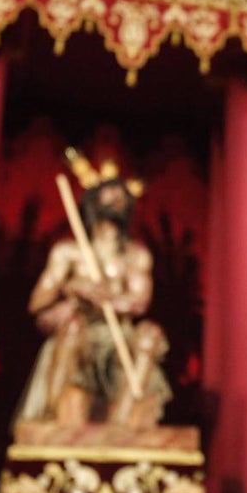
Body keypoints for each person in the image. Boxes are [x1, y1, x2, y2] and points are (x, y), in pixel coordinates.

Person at [16, 171, 171, 430]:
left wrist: (104, 297)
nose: (116, 201)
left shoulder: (135, 255)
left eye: (121, 198)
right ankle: (52, 414)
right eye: (109, 197)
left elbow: (139, 302)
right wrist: (73, 287)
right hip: (81, 330)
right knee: (73, 327)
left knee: (150, 334)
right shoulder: (69, 252)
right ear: (93, 204)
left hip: (118, 334)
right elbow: (38, 303)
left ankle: (122, 420)